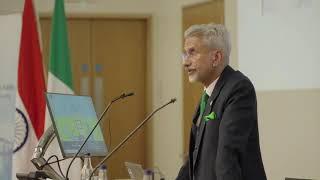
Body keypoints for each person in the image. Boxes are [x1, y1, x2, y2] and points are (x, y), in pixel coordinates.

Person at [176, 23, 267, 180]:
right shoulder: (209, 94)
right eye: (185, 54)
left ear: (216, 58)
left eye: (193, 53)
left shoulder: (238, 89)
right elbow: (194, 159)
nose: (186, 62)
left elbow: (228, 157)